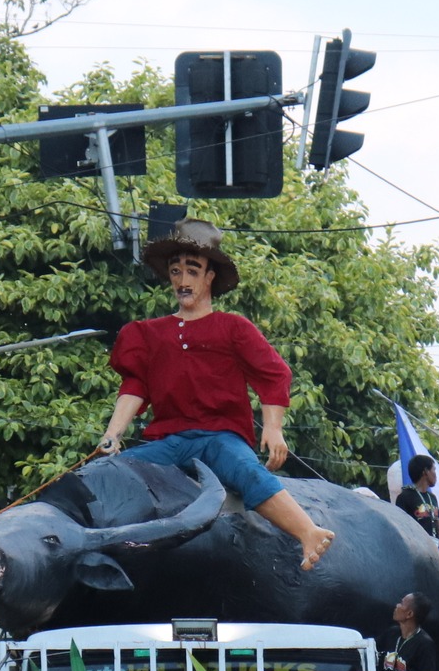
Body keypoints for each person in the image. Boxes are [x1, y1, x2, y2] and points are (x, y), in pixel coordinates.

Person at [99, 217, 335, 572]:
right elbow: (135, 386)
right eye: (176, 271)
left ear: (210, 277)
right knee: (109, 472)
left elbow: (273, 375)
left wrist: (273, 428)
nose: (182, 280)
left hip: (220, 436)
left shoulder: (233, 327)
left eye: (193, 271)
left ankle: (308, 532)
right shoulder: (147, 333)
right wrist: (112, 434)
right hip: (171, 440)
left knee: (246, 471)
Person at [395, 454, 439, 562]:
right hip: (416, 556)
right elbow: (401, 531)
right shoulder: (404, 497)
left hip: (434, 554)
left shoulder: (432, 498)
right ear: (425, 472)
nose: (435, 475)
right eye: (434, 470)